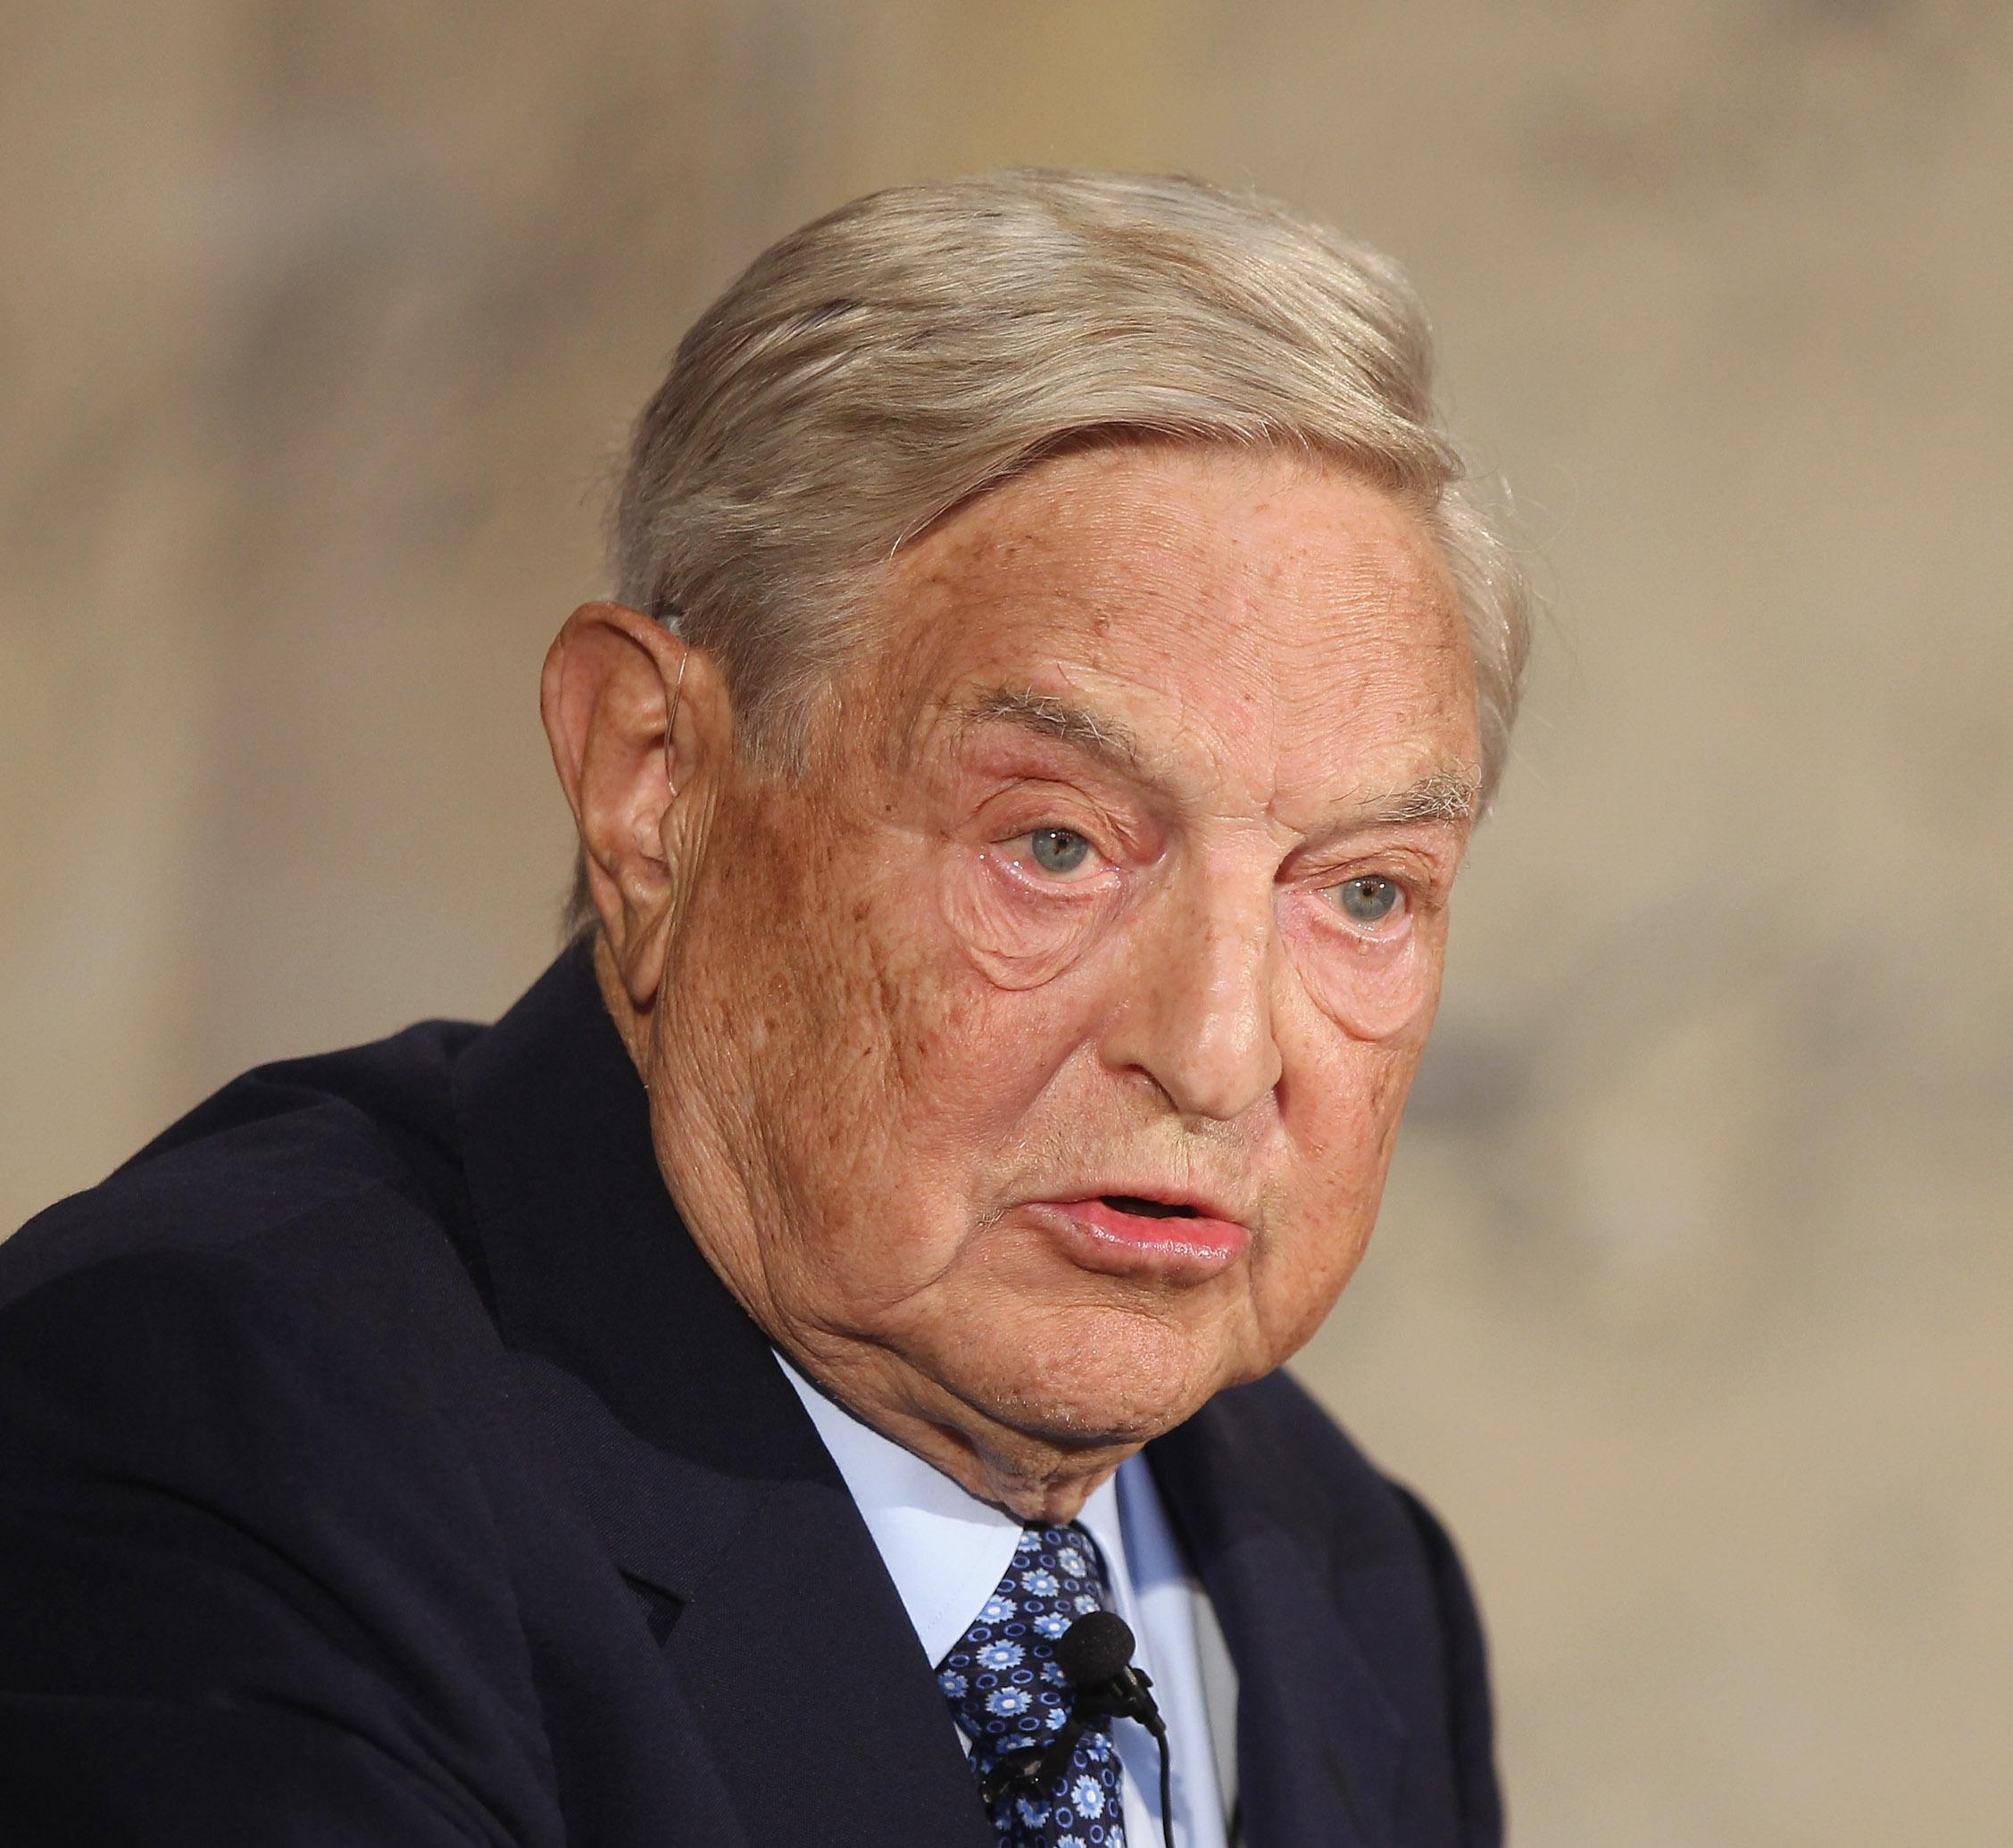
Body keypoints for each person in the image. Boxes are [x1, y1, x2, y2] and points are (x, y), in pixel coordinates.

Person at [0, 171, 1528, 1847]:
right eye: (1057, 845)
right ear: (655, 784)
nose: (1222, 1053)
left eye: (1364, 891)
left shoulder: (1348, 1576)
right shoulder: (223, 1429)